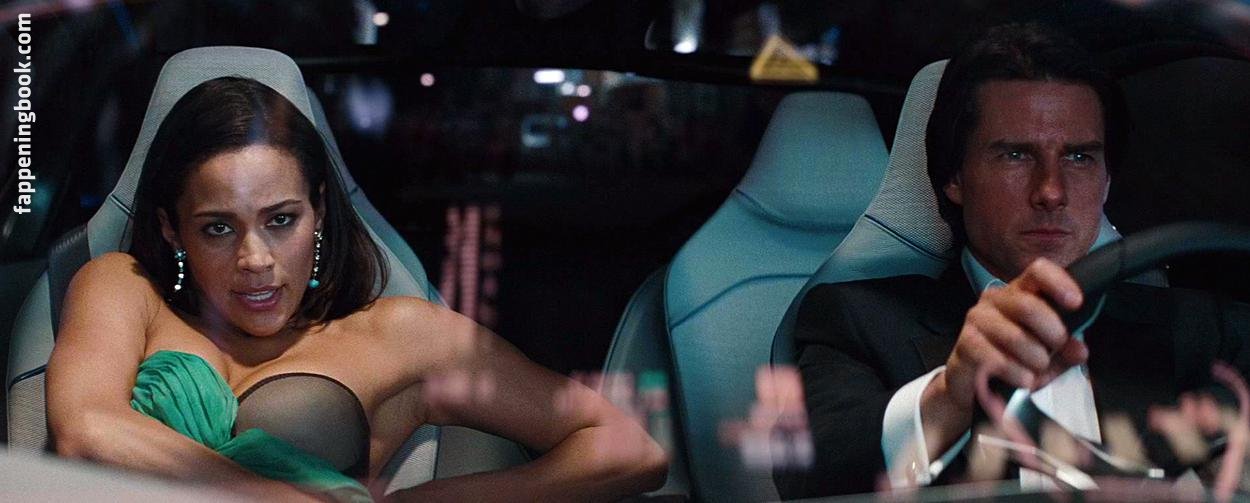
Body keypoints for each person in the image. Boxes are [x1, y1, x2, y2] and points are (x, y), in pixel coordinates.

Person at [45, 76, 668, 502]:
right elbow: (84, 428)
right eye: (217, 228)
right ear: (170, 229)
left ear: (318, 212)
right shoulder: (122, 287)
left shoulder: (395, 333)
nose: (255, 260)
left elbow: (629, 449)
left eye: (281, 220)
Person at [777, 23, 1250, 498]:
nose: (1051, 191)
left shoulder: (1199, 327)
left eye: (1079, 157)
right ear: (954, 177)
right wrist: (949, 395)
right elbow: (811, 473)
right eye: (1016, 155)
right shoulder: (858, 320)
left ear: (1107, 181)